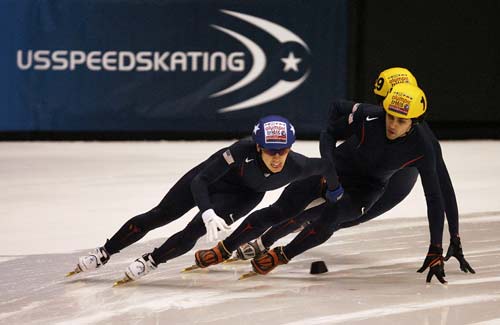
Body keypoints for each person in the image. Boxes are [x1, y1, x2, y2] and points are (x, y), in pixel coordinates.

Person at [195, 83, 473, 284]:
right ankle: (225, 247)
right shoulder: (369, 116)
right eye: (390, 116)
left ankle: (281, 255)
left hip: (367, 189)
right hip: (338, 167)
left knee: (331, 217)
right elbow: (329, 131)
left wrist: (438, 245)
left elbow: (436, 196)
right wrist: (329, 168)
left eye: (401, 121)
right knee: (283, 208)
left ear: (414, 121)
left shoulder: (424, 146)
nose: (392, 124)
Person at [67, 115, 337, 283]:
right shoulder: (239, 151)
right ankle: (105, 252)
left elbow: (328, 166)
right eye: (270, 151)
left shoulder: (299, 165)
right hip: (211, 179)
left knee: (194, 231)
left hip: (243, 196)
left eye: (283, 151)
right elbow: (201, 181)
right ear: (258, 147)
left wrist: (336, 190)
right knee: (161, 214)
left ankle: (152, 261)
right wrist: (207, 210)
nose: (277, 158)